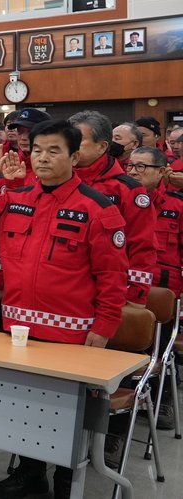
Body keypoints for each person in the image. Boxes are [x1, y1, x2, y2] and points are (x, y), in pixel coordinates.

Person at [0, 125, 126, 499]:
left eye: (54, 151)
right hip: (19, 330)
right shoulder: (15, 198)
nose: (42, 158)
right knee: (25, 405)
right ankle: (30, 472)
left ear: (74, 157)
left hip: (72, 333)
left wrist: (104, 327)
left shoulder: (98, 208)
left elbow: (113, 276)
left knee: (71, 413)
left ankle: (69, 478)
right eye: (37, 150)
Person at [67, 111, 155, 306]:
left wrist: (135, 296)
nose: (70, 146)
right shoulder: (57, 183)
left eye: (78, 141)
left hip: (107, 293)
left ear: (102, 146)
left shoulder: (127, 190)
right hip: (63, 290)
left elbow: (142, 246)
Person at [126, 145, 183, 430]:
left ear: (161, 172)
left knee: (160, 349)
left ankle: (163, 400)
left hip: (164, 291)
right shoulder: (118, 202)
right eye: (130, 166)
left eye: (141, 167)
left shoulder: (176, 207)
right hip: (125, 291)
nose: (133, 172)